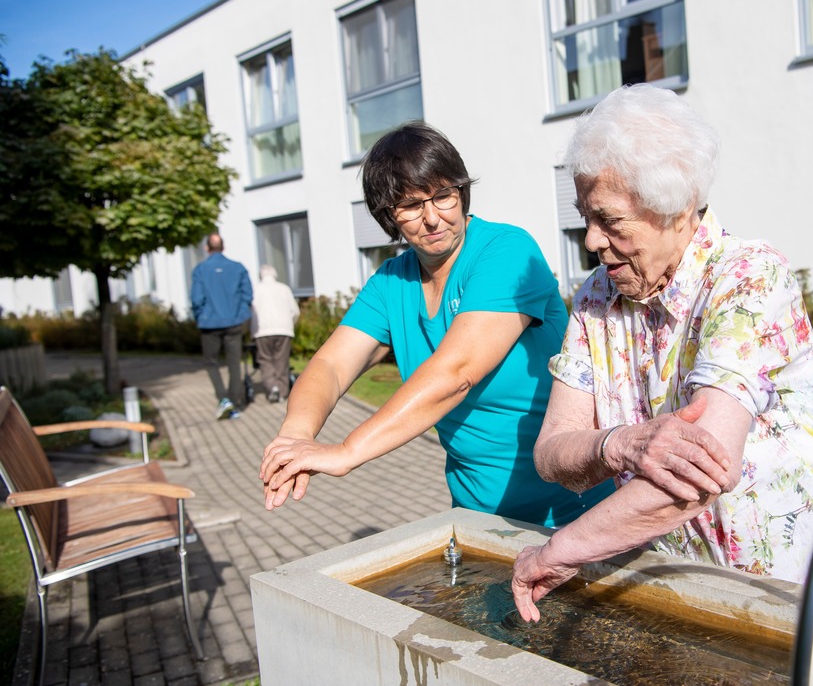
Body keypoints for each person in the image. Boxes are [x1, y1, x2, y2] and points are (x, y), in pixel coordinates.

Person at [511, 85, 813, 622]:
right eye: (584, 218)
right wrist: (617, 445)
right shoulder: (597, 299)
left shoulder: (749, 278)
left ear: (677, 208)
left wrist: (558, 552)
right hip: (692, 597)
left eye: (610, 220)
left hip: (806, 595)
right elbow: (551, 454)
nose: (591, 240)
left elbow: (698, 474)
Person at [260, 121, 615, 526]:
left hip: (576, 510)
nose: (432, 218)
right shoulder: (391, 283)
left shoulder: (507, 252)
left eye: (443, 196)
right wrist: (295, 435)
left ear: (461, 192)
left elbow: (457, 372)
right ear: (388, 216)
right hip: (479, 516)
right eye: (411, 206)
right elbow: (330, 366)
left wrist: (347, 450)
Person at [191, 233, 253, 420]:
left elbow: (196, 299)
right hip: (233, 322)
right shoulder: (238, 268)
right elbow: (248, 296)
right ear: (223, 247)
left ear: (206, 248)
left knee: (211, 363)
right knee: (234, 363)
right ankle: (233, 402)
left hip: (210, 324)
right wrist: (240, 315)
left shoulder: (200, 270)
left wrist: (200, 317)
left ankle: (223, 399)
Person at [251, 264, 300, 403]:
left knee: (265, 360)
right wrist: (291, 324)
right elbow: (295, 311)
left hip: (262, 330)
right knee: (282, 360)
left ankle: (272, 387)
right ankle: (283, 393)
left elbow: (250, 312)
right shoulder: (284, 288)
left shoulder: (255, 290)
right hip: (284, 329)